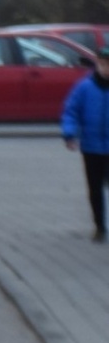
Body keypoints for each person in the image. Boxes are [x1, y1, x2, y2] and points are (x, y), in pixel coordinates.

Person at [61, 45, 109, 243]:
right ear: (97, 63)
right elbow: (71, 111)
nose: (106, 68)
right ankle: (99, 226)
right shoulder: (84, 87)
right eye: (104, 64)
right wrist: (69, 133)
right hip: (91, 146)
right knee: (95, 188)